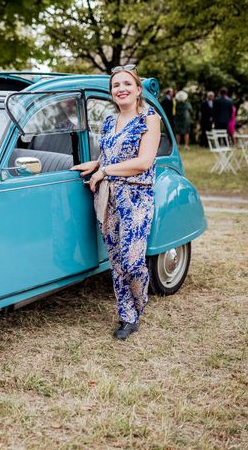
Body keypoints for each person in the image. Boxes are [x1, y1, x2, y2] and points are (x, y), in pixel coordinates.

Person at [70, 65, 161, 340]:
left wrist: (105, 171)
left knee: (133, 261)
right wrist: (95, 164)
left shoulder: (149, 118)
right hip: (108, 198)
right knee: (116, 261)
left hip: (136, 197)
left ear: (137, 89)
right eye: (115, 86)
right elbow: (108, 156)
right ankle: (127, 317)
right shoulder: (109, 121)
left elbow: (143, 162)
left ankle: (139, 302)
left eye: (126, 84)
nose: (120, 89)